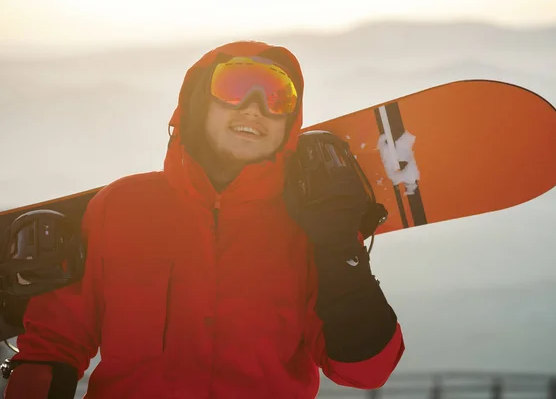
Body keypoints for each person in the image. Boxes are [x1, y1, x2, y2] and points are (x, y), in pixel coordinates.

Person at [3, 40, 404, 399]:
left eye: (277, 97)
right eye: (233, 88)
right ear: (197, 103)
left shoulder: (310, 225)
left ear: (290, 123)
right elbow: (53, 348)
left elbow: (366, 372)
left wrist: (339, 248)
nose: (254, 108)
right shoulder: (120, 207)